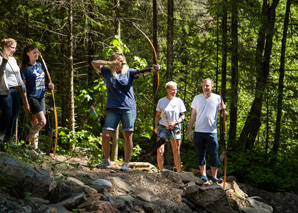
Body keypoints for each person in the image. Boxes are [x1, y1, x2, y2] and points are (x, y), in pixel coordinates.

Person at [91, 52, 160, 171]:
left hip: (128, 108)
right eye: (119, 61)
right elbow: (93, 63)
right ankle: (106, 161)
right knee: (106, 135)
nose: (122, 63)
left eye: (123, 61)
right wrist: (110, 63)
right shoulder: (107, 72)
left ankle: (126, 163)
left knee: (128, 136)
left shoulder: (129, 72)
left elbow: (143, 71)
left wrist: (153, 69)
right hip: (113, 108)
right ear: (114, 62)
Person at [188, 78, 226, 183]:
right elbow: (192, 115)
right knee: (200, 153)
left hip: (212, 132)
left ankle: (214, 177)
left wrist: (223, 110)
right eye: (204, 85)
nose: (205, 87)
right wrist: (190, 130)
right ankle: (204, 176)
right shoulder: (197, 98)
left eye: (207, 85)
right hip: (199, 131)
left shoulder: (218, 98)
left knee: (214, 154)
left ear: (212, 87)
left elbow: (224, 115)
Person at [20, 44, 54, 152]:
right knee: (42, 122)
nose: (36, 54)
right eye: (34, 52)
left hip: (41, 96)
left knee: (35, 122)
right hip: (32, 97)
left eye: (37, 52)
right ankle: (26, 142)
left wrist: (48, 86)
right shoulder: (25, 69)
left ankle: (34, 148)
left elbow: (39, 81)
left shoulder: (39, 65)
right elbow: (23, 88)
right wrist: (25, 103)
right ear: (28, 54)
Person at [0, 38, 29, 151]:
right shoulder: (1, 59)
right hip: (6, 91)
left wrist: (24, 92)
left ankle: (9, 140)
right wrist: (4, 62)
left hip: (17, 91)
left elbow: (18, 77)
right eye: (12, 47)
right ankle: (1, 138)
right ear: (5, 47)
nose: (14, 50)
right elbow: (1, 72)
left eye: (15, 48)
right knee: (7, 113)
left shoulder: (13, 60)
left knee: (14, 115)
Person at [154, 81, 186, 173]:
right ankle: (160, 171)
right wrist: (156, 126)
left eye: (175, 90)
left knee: (176, 150)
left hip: (175, 128)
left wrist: (175, 123)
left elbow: (182, 115)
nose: (174, 92)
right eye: (172, 90)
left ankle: (179, 173)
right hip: (163, 128)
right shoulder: (161, 101)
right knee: (160, 150)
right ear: (167, 90)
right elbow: (157, 115)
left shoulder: (179, 101)